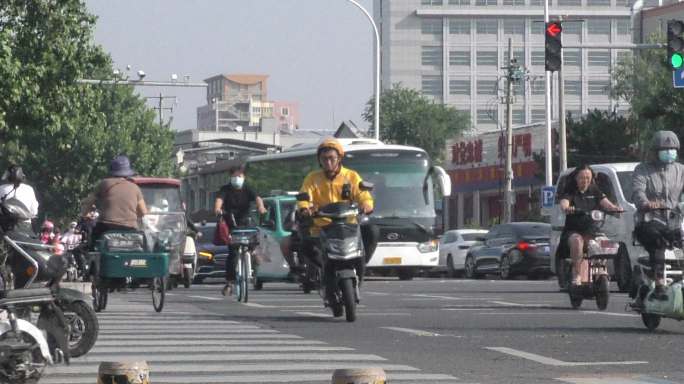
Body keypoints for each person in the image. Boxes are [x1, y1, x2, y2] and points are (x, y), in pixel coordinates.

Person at [297, 138, 374, 302]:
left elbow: (363, 194)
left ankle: (361, 267)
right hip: (323, 227)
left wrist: (366, 205)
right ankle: (322, 271)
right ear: (319, 160)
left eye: (332, 158)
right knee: (304, 245)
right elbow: (304, 196)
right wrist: (305, 208)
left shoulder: (351, 176)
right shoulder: (312, 178)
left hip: (349, 226)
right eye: (324, 159)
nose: (328, 162)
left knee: (372, 231)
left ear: (339, 158)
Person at [632, 130, 684, 301]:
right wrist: (647, 203)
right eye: (664, 149)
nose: (669, 152)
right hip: (649, 221)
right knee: (658, 242)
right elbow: (638, 192)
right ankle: (660, 284)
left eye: (672, 149)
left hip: (675, 222)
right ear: (654, 151)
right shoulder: (642, 170)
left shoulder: (681, 170)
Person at [559, 165, 622, 290]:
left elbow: (606, 203)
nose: (585, 180)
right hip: (574, 231)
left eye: (588, 177)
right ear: (576, 178)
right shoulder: (570, 191)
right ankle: (576, 274)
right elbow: (564, 202)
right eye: (582, 178)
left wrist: (614, 208)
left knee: (607, 244)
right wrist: (567, 208)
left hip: (593, 231)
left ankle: (601, 272)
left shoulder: (595, 190)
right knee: (577, 241)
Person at [213, 165, 266, 296]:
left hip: (246, 222)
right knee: (233, 254)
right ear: (230, 178)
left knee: (255, 238)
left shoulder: (248, 188)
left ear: (244, 177)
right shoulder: (225, 189)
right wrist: (218, 209)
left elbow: (258, 198)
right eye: (234, 176)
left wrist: (261, 208)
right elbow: (219, 200)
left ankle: (254, 255)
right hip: (231, 224)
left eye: (239, 176)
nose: (237, 178)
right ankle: (229, 283)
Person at [81, 155, 148, 243]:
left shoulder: (104, 184)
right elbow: (143, 212)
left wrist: (84, 215)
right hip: (130, 230)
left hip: (105, 228)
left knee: (91, 246)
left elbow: (89, 201)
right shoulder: (135, 187)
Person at [0, 165, 39, 230]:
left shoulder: (1, 188)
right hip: (26, 227)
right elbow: (34, 211)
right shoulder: (29, 189)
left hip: (5, 227)